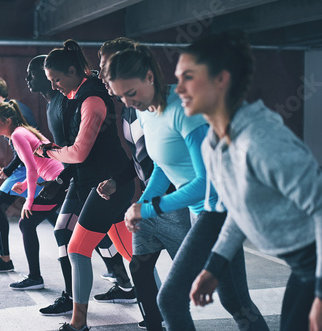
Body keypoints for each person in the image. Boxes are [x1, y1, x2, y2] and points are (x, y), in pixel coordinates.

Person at [106, 44, 268, 331]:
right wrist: (141, 204)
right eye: (121, 96)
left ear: (149, 77)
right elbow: (162, 167)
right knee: (235, 302)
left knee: (170, 299)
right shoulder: (146, 111)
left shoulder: (184, 110)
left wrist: (153, 207)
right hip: (199, 212)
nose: (128, 103)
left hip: (219, 210)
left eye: (131, 93)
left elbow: (208, 182)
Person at [175, 30, 322, 331]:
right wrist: (213, 268)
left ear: (221, 79)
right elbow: (238, 211)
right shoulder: (213, 145)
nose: (178, 88)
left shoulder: (261, 141)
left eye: (188, 77)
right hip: (303, 267)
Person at [36, 39, 136, 331]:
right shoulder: (75, 96)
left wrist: (49, 151)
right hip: (99, 184)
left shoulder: (91, 99)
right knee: (134, 255)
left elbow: (79, 152)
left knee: (77, 249)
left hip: (110, 186)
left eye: (56, 79)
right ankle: (159, 311)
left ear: (71, 70)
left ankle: (78, 323)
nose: (53, 85)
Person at [97, 37, 177, 330]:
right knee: (139, 269)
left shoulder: (158, 106)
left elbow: (169, 163)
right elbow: (144, 160)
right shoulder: (131, 107)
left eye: (106, 66)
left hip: (178, 204)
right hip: (151, 202)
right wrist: (119, 181)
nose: (103, 73)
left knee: (193, 285)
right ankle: (154, 323)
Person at [0, 100, 66, 290]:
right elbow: (37, 165)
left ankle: (35, 278)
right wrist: (23, 184)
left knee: (27, 222)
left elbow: (31, 168)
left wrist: (29, 201)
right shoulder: (23, 131)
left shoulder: (17, 134)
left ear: (7, 121)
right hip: (56, 180)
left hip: (57, 182)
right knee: (59, 226)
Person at [0, 76, 43, 273]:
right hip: (25, 167)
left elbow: (30, 148)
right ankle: (5, 259)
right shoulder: (11, 109)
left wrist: (9, 169)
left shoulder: (16, 111)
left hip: (32, 168)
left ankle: (5, 260)